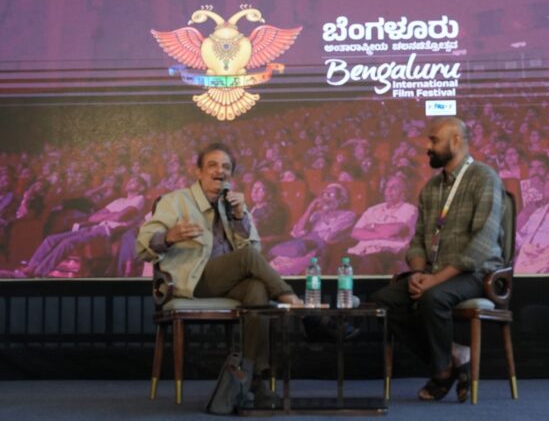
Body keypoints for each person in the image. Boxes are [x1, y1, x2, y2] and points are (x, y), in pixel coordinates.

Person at [135, 143, 302, 405]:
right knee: (247, 259)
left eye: (226, 167)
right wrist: (168, 236)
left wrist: (240, 218)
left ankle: (252, 380)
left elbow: (255, 251)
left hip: (226, 281)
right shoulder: (175, 201)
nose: (219, 171)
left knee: (257, 289)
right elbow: (142, 245)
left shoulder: (233, 205)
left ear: (231, 175)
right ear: (199, 171)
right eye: (212, 165)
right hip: (192, 280)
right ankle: (293, 302)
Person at [372, 117, 506, 402]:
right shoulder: (431, 188)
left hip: (477, 273)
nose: (428, 146)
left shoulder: (484, 178)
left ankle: (441, 373)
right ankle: (453, 358)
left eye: (434, 140)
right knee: (383, 302)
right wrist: (418, 273)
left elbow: (482, 243)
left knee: (433, 298)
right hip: (433, 273)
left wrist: (434, 281)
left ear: (456, 140)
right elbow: (418, 240)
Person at [15, 176, 147, 277]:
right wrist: (113, 215)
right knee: (51, 239)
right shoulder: (119, 201)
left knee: (67, 243)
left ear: (141, 188)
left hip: (105, 231)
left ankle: (39, 272)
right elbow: (93, 217)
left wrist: (111, 215)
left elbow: (120, 217)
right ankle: (31, 267)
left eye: (135, 181)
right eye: (130, 180)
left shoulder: (139, 199)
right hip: (94, 227)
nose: (130, 181)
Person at [269, 182, 356, 275]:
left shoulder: (347, 215)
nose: (325, 197)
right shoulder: (316, 215)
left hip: (317, 252)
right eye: (323, 194)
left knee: (279, 271)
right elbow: (297, 232)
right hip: (298, 247)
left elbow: (329, 237)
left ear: (341, 199)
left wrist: (324, 217)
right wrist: (310, 208)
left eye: (330, 194)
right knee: (271, 267)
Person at [347, 174, 418, 275]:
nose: (389, 191)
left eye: (394, 187)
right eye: (387, 187)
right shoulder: (372, 210)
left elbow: (395, 230)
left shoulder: (410, 209)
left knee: (369, 261)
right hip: (361, 250)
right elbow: (355, 233)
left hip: (391, 251)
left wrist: (372, 227)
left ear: (404, 193)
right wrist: (382, 233)